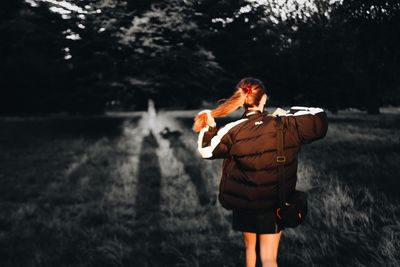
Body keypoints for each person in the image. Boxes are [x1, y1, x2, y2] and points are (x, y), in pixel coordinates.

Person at [192, 77, 328, 267]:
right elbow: (319, 117)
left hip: (244, 203)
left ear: (240, 102)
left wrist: (210, 127)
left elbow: (206, 151)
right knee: (269, 258)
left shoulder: (232, 130)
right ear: (264, 98)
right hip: (274, 203)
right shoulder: (285, 124)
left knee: (250, 251)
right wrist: (285, 113)